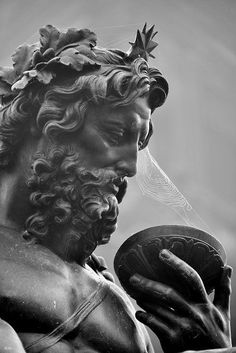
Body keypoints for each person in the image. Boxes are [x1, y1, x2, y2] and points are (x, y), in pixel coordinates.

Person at [0, 24, 234, 353]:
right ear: (48, 125)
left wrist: (211, 347)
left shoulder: (114, 296)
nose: (131, 167)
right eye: (114, 135)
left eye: (139, 146)